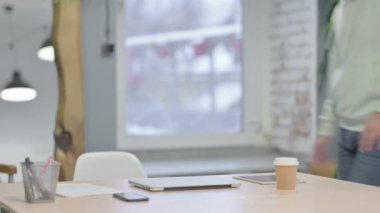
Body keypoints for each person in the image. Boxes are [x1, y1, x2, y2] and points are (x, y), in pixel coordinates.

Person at [313, 0, 380, 186]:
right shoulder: (340, 8)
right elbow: (337, 71)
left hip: (375, 130)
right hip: (346, 129)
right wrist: (325, 129)